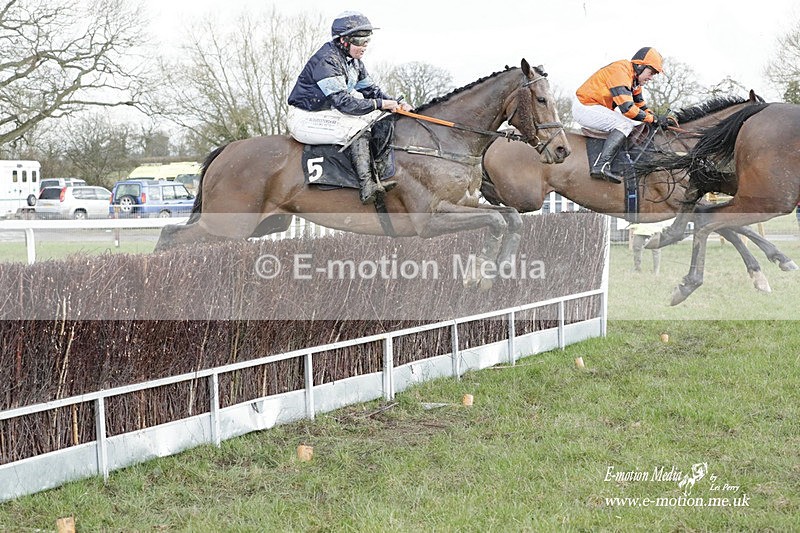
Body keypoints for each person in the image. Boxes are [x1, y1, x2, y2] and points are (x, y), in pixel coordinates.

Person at [287, 11, 412, 205]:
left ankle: (377, 171)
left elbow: (371, 91)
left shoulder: (354, 63)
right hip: (304, 118)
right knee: (356, 128)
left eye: (367, 41)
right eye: (359, 41)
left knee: (377, 119)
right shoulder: (327, 60)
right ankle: (367, 187)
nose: (364, 46)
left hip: (328, 113)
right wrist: (381, 104)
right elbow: (344, 103)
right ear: (343, 41)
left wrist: (396, 104)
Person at [572, 47, 671, 184]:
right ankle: (601, 165)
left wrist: (656, 118)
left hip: (597, 107)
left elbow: (640, 106)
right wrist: (652, 119)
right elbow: (628, 109)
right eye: (651, 73)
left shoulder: (634, 80)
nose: (651, 78)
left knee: (636, 123)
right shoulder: (621, 72)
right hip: (585, 106)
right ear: (640, 66)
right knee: (624, 124)